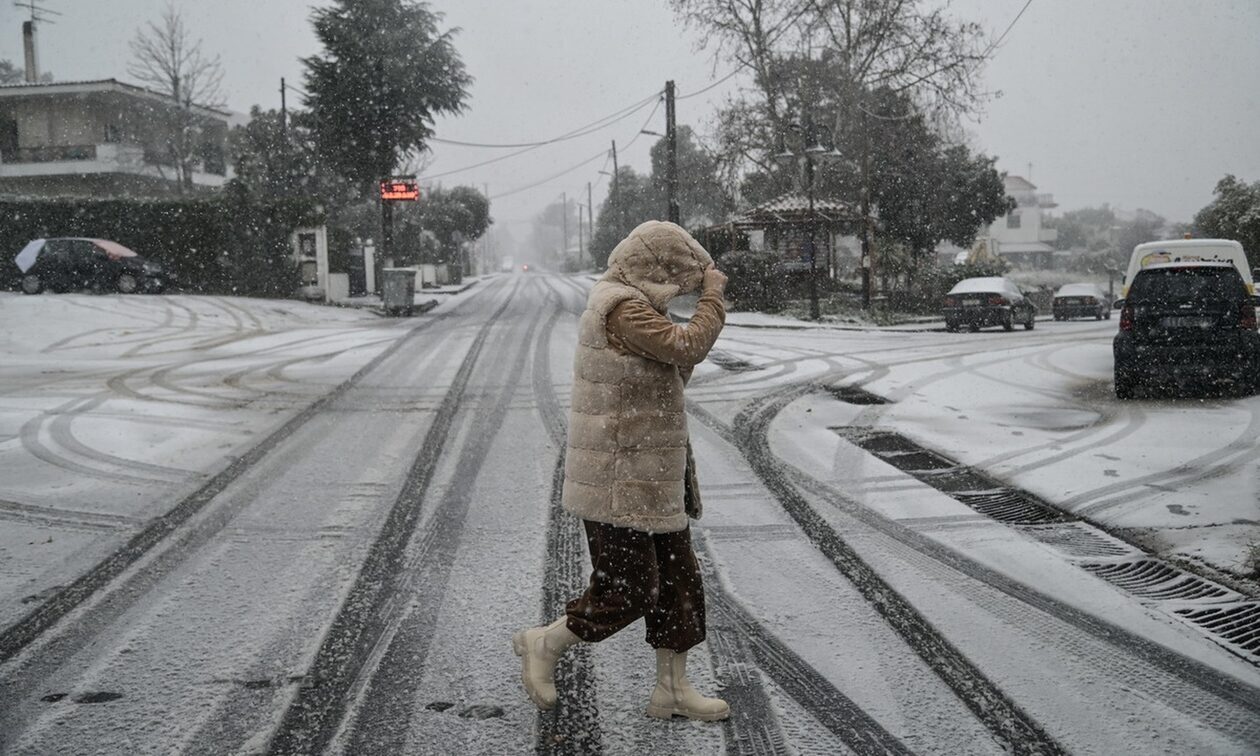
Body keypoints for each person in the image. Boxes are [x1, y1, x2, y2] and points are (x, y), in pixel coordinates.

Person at [513, 220, 730, 722]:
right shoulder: (620, 306)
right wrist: (713, 300)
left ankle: (672, 690)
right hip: (618, 480)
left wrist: (695, 317)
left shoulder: (637, 306)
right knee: (628, 590)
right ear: (654, 268)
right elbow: (686, 347)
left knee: (679, 586)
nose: (684, 290)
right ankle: (545, 643)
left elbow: (672, 370)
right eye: (679, 279)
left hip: (655, 475)